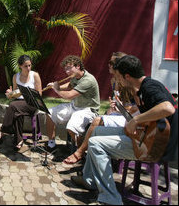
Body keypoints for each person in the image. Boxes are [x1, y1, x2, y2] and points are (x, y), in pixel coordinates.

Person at [71, 55, 178, 205]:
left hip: (156, 146)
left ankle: (111, 199)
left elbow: (167, 108)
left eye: (118, 76)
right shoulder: (143, 87)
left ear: (127, 76)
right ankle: (89, 180)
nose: (117, 79)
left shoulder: (149, 87)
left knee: (96, 144)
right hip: (149, 136)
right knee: (96, 132)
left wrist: (136, 120)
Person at [63, 52, 139, 164]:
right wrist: (115, 105)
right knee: (98, 122)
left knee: (97, 121)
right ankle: (93, 157)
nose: (108, 65)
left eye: (111, 63)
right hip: (120, 114)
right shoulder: (114, 81)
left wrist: (123, 108)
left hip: (131, 119)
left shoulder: (130, 83)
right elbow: (120, 101)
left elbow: (136, 107)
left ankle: (80, 153)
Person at [45, 55, 100, 152]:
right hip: (75, 106)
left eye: (69, 68)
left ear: (78, 66)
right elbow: (70, 85)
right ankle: (51, 142)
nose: (67, 72)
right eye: (65, 69)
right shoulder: (75, 76)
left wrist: (57, 89)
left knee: (71, 127)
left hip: (88, 110)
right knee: (49, 113)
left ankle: (79, 151)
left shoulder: (88, 80)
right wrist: (56, 86)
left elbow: (69, 95)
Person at [0, 55, 42, 150]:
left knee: (13, 106)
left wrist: (30, 94)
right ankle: (19, 140)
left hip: (32, 103)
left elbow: (40, 95)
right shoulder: (16, 77)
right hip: (19, 103)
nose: (28, 68)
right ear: (20, 66)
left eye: (30, 65)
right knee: (17, 112)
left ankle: (2, 131)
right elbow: (15, 94)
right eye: (26, 66)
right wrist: (10, 94)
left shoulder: (35, 75)